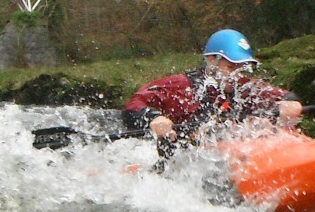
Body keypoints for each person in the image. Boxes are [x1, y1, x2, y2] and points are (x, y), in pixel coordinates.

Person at [123, 29, 303, 146]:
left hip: (230, 152)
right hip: (186, 156)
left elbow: (283, 96)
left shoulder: (246, 87)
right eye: (231, 67)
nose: (237, 75)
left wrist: (290, 102)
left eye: (242, 68)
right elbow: (135, 104)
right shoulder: (182, 86)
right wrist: (154, 118)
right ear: (211, 60)